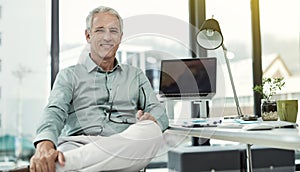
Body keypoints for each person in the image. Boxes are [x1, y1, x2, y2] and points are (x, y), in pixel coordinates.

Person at [29, 6, 169, 172]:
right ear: (88, 35)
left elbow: (158, 110)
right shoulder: (68, 75)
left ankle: (63, 166)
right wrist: (44, 145)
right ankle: (70, 162)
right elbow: (54, 111)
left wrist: (151, 118)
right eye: (100, 30)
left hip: (125, 145)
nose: (107, 37)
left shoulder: (135, 75)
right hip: (79, 145)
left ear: (120, 37)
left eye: (113, 31)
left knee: (151, 129)